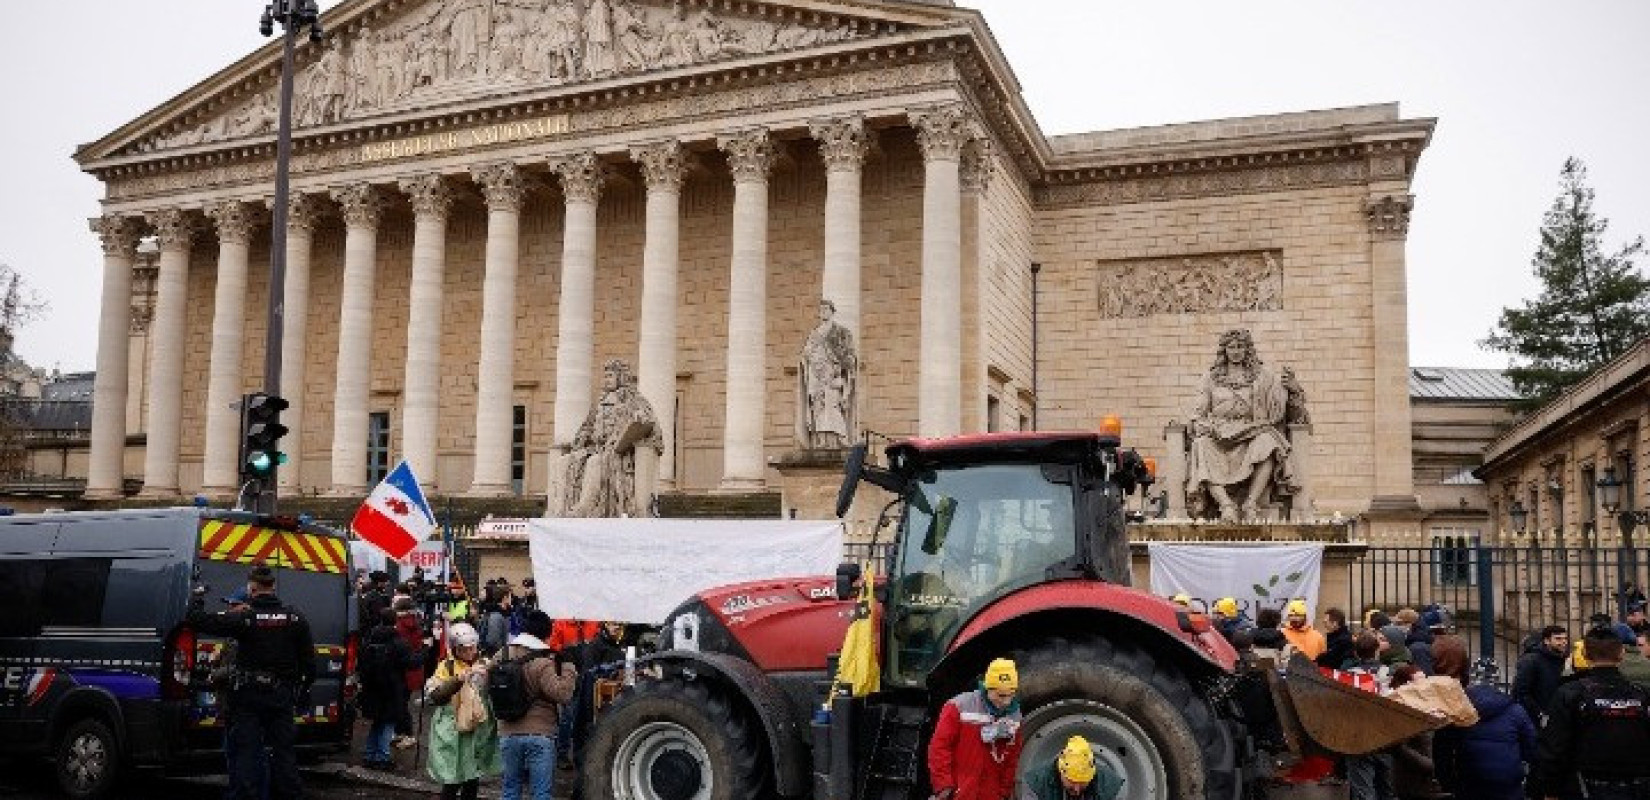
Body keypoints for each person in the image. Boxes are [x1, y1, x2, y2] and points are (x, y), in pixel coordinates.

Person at [188, 566, 314, 800]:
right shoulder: (295, 617)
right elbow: (309, 662)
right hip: (281, 697)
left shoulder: (245, 617)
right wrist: (302, 690)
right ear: (273, 587)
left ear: (251, 588)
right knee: (284, 753)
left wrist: (197, 596)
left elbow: (198, 621)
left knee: (247, 752)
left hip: (248, 698)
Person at [1534, 628, 1650, 800]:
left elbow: (1555, 748)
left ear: (1585, 655)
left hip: (1584, 786)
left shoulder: (1570, 693)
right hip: (1637, 786)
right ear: (1622, 653)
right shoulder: (1641, 694)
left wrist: (1550, 789)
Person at [1433, 644, 1537, 800]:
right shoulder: (1515, 710)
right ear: (1497, 682)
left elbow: (1442, 750)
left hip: (1470, 780)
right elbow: (1531, 747)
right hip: (1508, 781)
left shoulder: (1458, 710)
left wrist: (1448, 782)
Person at [496, 611, 576, 800]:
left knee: (510, 790)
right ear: (546, 633)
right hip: (540, 735)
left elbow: (485, 686)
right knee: (541, 793)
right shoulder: (542, 661)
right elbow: (562, 694)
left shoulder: (502, 653)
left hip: (507, 733)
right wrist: (569, 667)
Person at [929, 658, 1024, 800]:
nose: (1006, 702)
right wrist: (943, 785)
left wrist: (1003, 792)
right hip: (959, 792)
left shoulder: (1015, 717)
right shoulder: (958, 707)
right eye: (1001, 695)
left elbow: (1011, 759)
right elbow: (939, 748)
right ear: (987, 688)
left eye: (1011, 695)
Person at [426, 623, 501, 800]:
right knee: (451, 777)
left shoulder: (484, 663)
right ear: (455, 648)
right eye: (463, 649)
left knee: (472, 777)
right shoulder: (446, 666)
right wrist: (459, 679)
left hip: (477, 728)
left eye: (472, 647)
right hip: (452, 728)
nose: (469, 652)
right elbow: (435, 696)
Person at [210, 589, 269, 800]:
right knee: (239, 751)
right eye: (229, 604)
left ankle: (242, 792)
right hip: (232, 703)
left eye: (233, 605)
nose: (229, 608)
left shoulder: (242, 633)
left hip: (239, 703)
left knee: (241, 752)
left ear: (245, 607)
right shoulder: (235, 632)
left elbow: (235, 669)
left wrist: (214, 674)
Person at [358, 607, 413, 770]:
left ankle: (370, 754)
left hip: (372, 687)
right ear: (394, 621)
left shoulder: (370, 639)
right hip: (392, 688)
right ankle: (382, 757)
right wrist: (424, 651)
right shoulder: (397, 642)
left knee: (377, 722)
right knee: (388, 723)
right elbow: (410, 662)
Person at [1017, 735, 1123, 800]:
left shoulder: (1109, 785)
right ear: (1061, 771)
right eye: (1072, 781)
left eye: (1082, 782)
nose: (1077, 789)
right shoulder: (1036, 782)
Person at [1513, 625, 1568, 723]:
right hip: (1536, 719)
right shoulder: (1531, 660)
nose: (1563, 642)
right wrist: (1539, 714)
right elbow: (1521, 692)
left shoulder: (1564, 659)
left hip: (1557, 716)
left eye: (1565, 639)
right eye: (1558, 639)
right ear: (1546, 641)